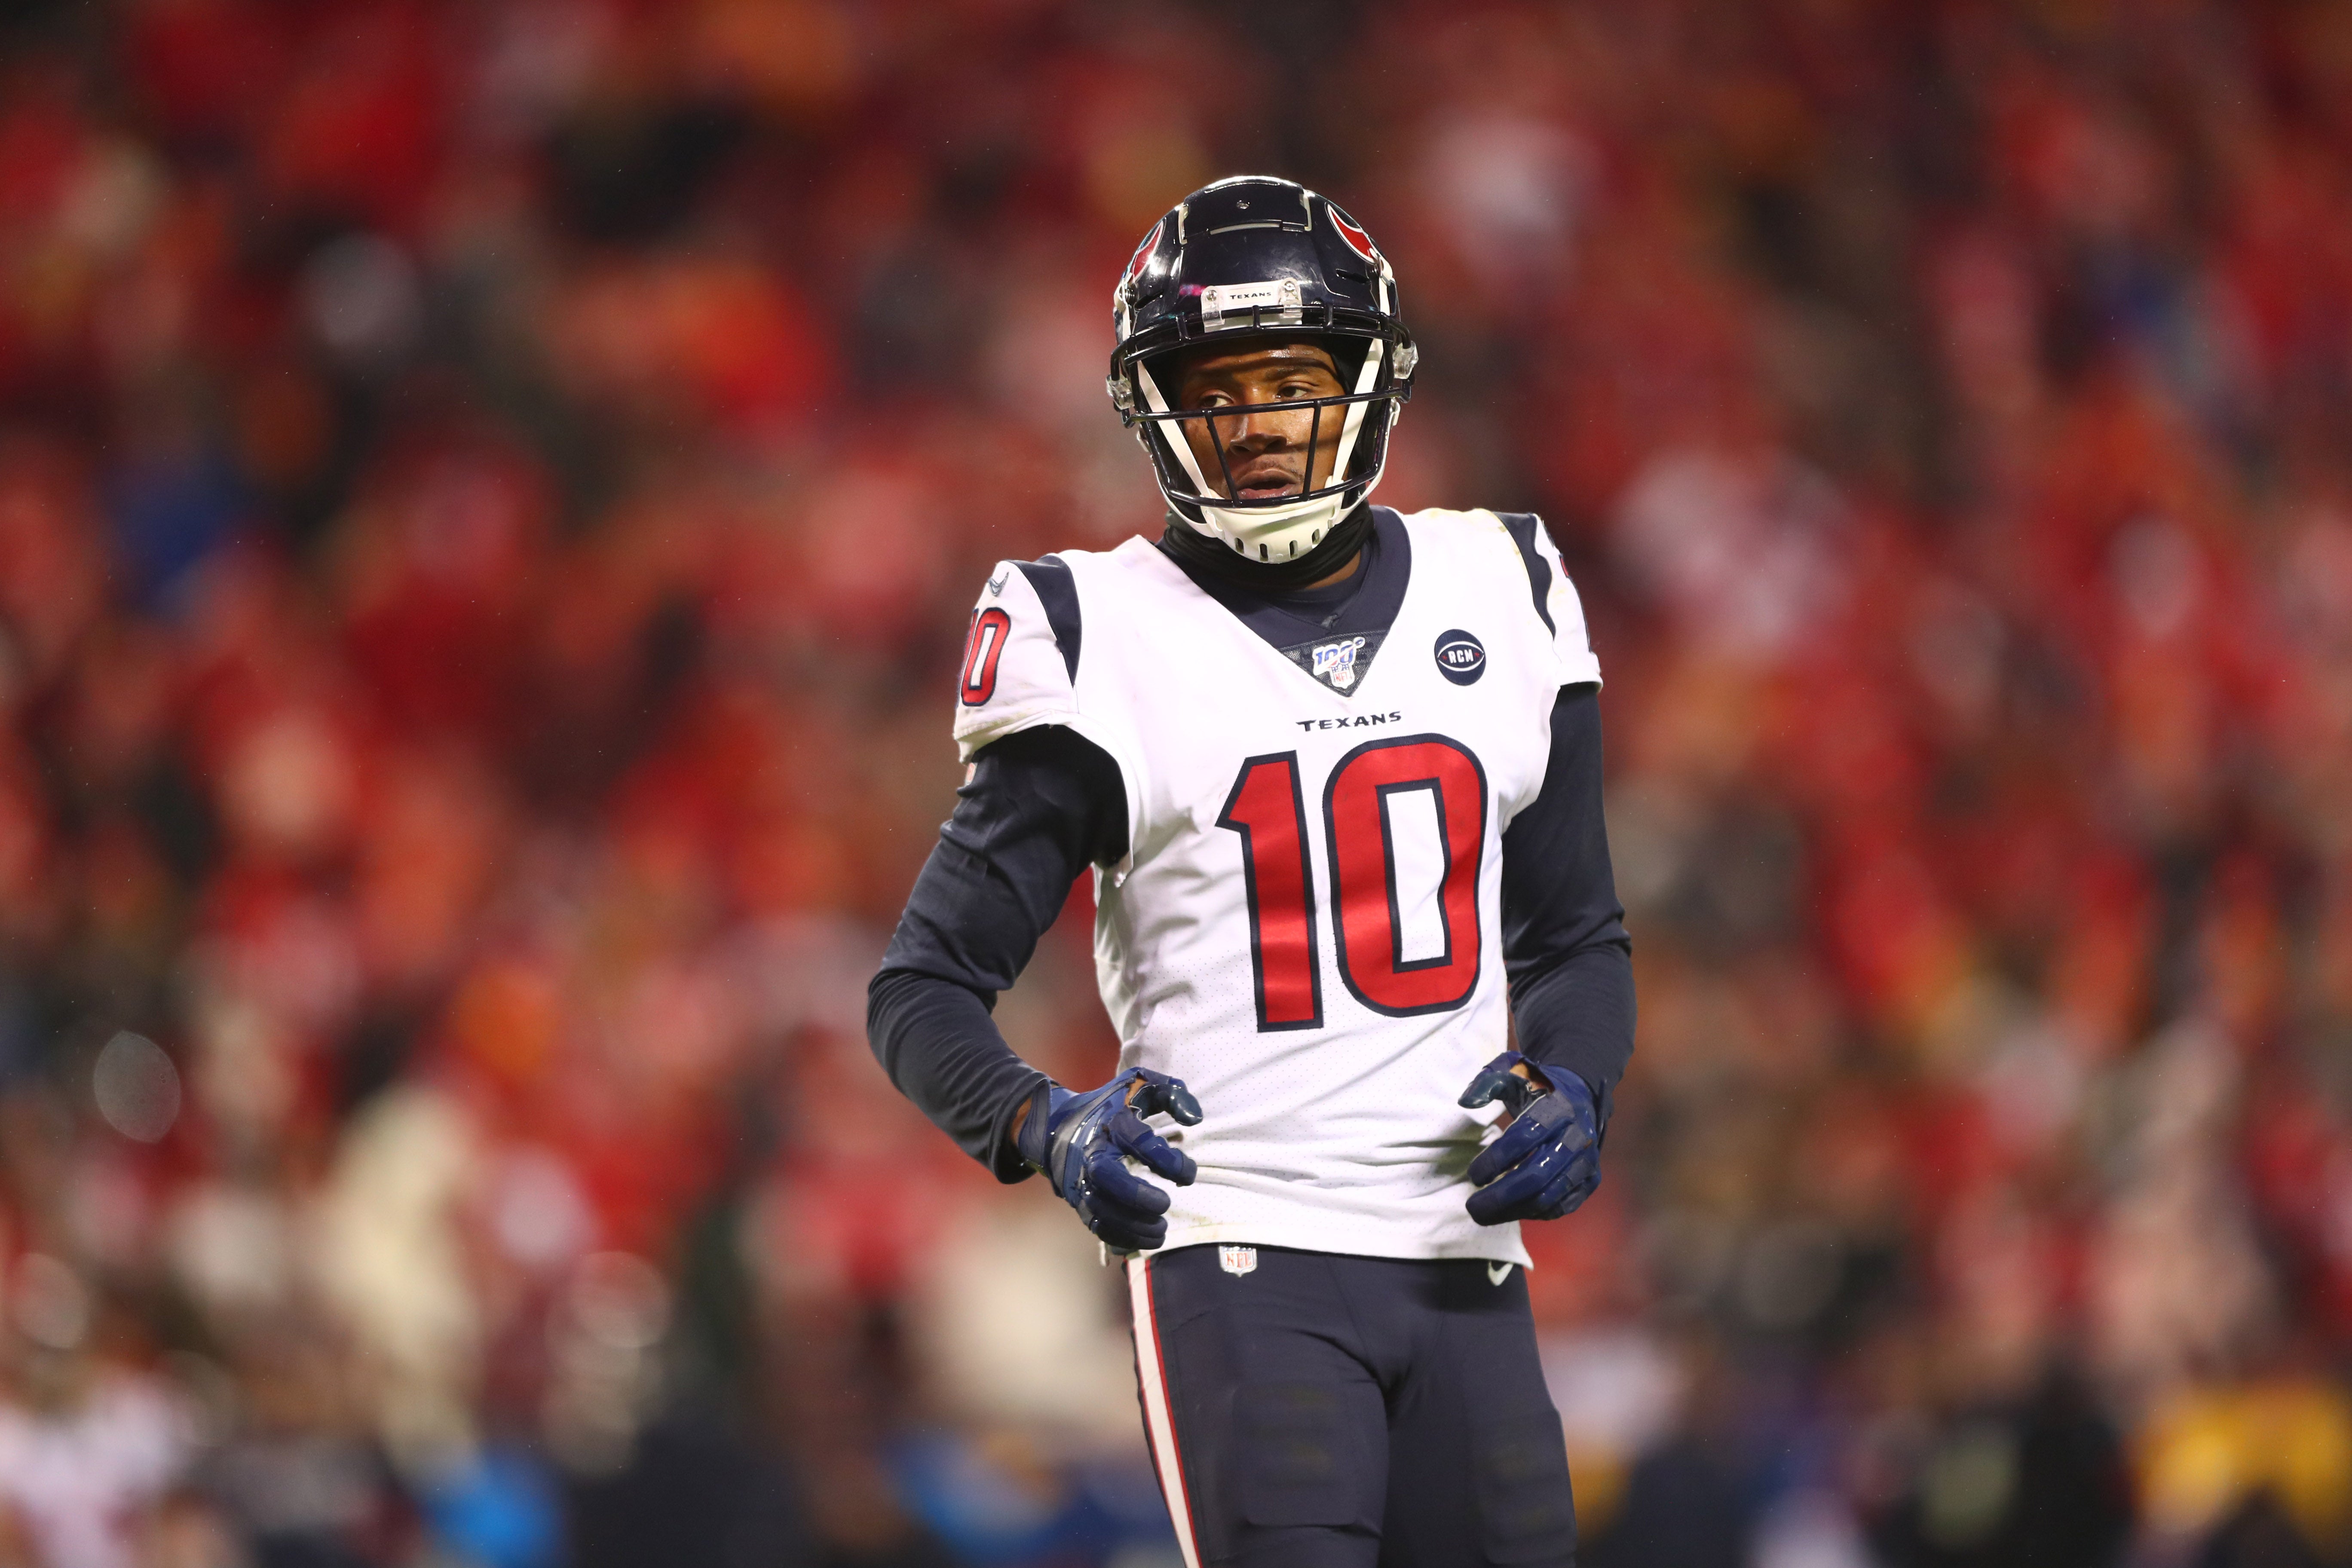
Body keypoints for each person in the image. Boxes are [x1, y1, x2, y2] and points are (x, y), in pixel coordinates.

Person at [867, 175, 1633, 1568]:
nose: (1262, 422)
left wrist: (1579, 1081)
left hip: (1466, 1255)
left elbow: (1577, 938)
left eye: (1294, 378)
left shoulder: (1502, 586)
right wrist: (1049, 1128)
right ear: (1155, 407)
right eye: (1218, 386)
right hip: (1242, 1253)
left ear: (1370, 381)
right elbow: (922, 988)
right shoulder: (1091, 630)